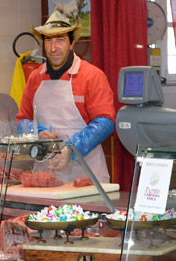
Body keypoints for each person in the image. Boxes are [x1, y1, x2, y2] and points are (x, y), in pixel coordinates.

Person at [16, 11, 115, 183]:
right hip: (45, 174)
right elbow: (22, 121)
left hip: (86, 174)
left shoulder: (92, 75)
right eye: (48, 40)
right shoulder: (35, 78)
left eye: (60, 39)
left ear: (72, 43)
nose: (53, 47)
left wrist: (71, 149)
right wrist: (36, 132)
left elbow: (105, 122)